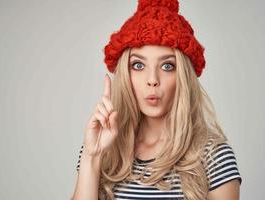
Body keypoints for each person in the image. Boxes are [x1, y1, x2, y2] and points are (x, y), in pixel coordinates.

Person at [71, 0, 242, 199]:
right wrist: (92, 157)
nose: (152, 80)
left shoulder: (214, 156)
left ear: (183, 77)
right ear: (125, 74)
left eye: (167, 66)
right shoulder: (102, 147)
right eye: (138, 65)